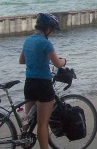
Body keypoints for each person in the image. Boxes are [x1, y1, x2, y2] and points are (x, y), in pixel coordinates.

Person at [19, 13, 66, 149]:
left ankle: (24, 138)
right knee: (42, 124)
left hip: (29, 83)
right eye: (53, 30)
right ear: (48, 28)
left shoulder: (28, 40)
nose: (52, 33)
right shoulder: (46, 43)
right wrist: (64, 61)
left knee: (27, 118)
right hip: (43, 85)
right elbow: (57, 63)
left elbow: (21, 60)